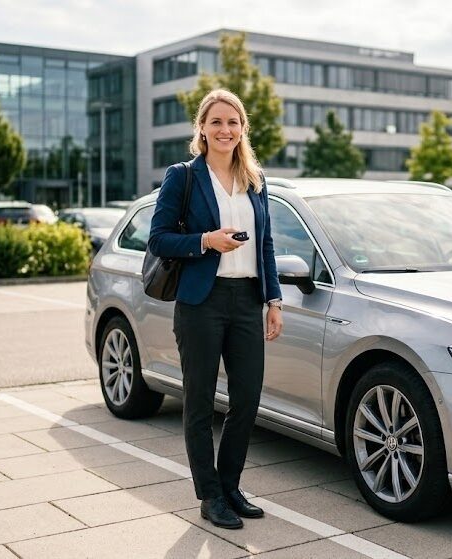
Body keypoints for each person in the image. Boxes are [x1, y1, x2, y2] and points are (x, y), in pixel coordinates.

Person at [147, 88, 283, 530]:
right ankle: (209, 495)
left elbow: (265, 245)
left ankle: (231, 486)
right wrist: (207, 241)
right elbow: (159, 238)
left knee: (246, 400)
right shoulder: (183, 176)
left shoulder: (256, 180)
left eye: (233, 122)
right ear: (202, 129)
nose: (225, 130)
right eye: (216, 122)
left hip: (246, 300)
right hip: (200, 302)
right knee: (201, 402)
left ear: (243, 129)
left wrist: (273, 300)